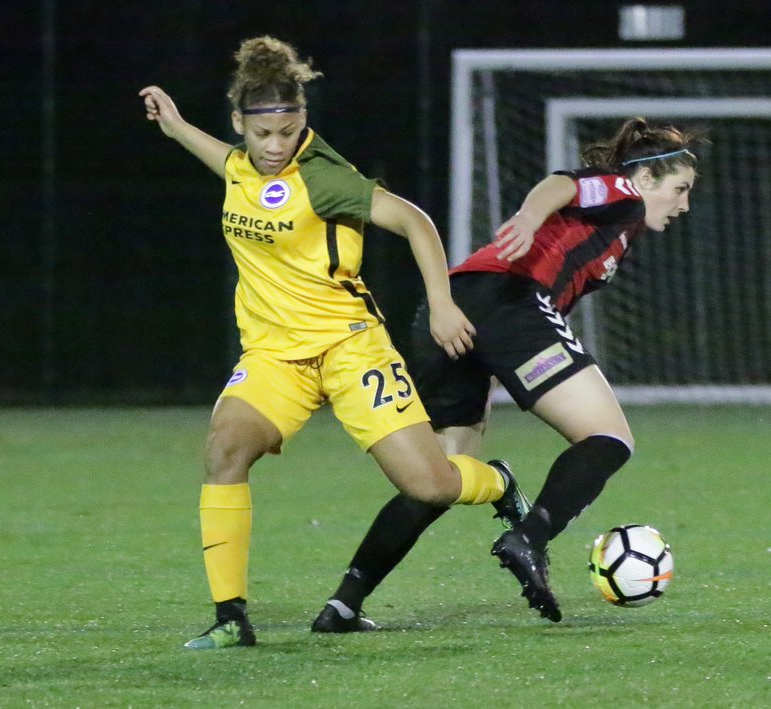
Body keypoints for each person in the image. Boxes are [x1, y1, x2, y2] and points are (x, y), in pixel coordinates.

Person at [140, 35, 543, 650]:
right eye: (264, 133)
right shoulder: (243, 164)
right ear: (240, 124)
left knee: (428, 486)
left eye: (289, 130)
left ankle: (498, 484)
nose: (277, 146)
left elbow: (414, 220)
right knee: (224, 451)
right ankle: (230, 618)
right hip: (276, 357)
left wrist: (441, 303)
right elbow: (229, 164)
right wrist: (175, 129)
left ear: (303, 121)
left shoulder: (323, 178)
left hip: (353, 351)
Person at [312, 117, 703, 626]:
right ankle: (530, 538)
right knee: (609, 438)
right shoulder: (626, 193)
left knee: (440, 481)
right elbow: (564, 184)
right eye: (681, 188)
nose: (685, 204)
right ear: (648, 178)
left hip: (454, 311)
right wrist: (527, 216)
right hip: (509, 301)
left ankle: (344, 602)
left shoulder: (617, 229)